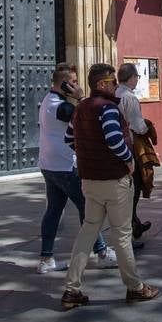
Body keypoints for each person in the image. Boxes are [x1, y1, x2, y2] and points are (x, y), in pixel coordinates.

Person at [61, 64, 159, 310]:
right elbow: (114, 139)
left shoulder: (80, 108)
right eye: (113, 82)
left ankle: (72, 289)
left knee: (88, 230)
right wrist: (128, 160)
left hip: (89, 180)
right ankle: (135, 287)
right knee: (122, 234)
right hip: (114, 181)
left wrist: (87, 156)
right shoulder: (108, 109)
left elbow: (69, 138)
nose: (116, 86)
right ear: (101, 85)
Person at [36, 64, 114, 275]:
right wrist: (80, 97)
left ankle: (46, 257)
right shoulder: (63, 107)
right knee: (87, 208)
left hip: (48, 165)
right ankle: (102, 252)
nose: (77, 85)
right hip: (65, 166)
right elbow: (87, 116)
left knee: (53, 210)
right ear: (65, 84)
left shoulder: (47, 101)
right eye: (74, 82)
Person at [115, 63, 153, 245]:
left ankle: (136, 224)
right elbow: (138, 125)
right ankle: (130, 232)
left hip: (114, 147)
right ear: (130, 77)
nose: (138, 79)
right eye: (137, 76)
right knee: (134, 189)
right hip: (130, 147)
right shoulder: (130, 98)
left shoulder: (113, 94)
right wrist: (147, 128)